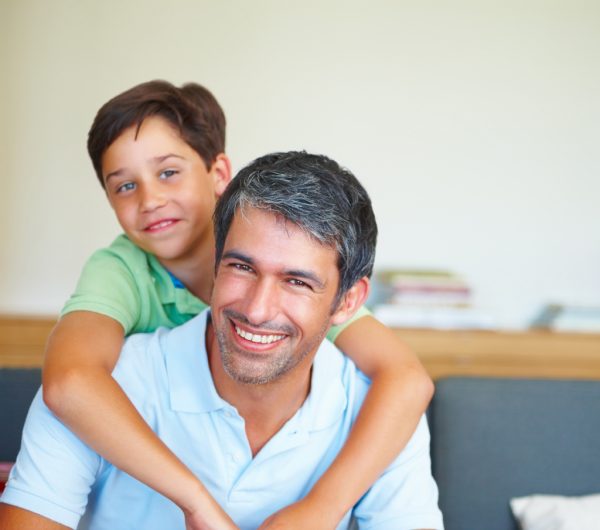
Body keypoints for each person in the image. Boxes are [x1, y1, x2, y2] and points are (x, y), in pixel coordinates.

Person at [39, 81, 433, 528]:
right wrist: (195, 499)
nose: (150, 201)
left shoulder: (284, 246)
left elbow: (406, 378)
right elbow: (69, 381)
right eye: (125, 185)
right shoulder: (120, 272)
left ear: (218, 173)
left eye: (168, 173)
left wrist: (320, 509)